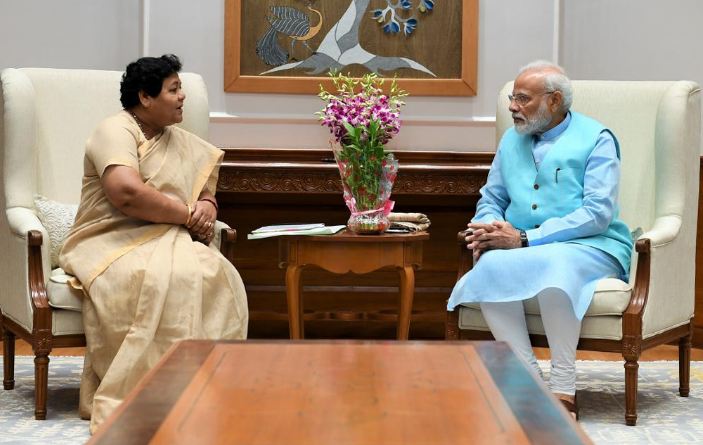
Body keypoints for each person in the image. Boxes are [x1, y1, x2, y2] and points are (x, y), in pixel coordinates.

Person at [59, 54, 248, 433]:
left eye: (181, 90)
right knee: (160, 277)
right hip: (108, 241)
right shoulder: (115, 131)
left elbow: (203, 192)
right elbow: (126, 193)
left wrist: (208, 206)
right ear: (146, 97)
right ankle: (147, 392)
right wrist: (187, 214)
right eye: (174, 90)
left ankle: (203, 388)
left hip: (165, 236)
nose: (182, 98)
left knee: (217, 274)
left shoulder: (180, 141)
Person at [447, 60, 632, 419]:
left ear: (554, 100)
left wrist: (527, 237)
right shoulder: (510, 139)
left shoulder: (598, 139)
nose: (512, 106)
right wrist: (487, 227)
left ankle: (563, 386)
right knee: (489, 266)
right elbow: (493, 198)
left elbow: (598, 212)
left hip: (592, 244)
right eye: (512, 98)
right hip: (521, 244)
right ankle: (526, 379)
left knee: (555, 267)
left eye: (523, 98)